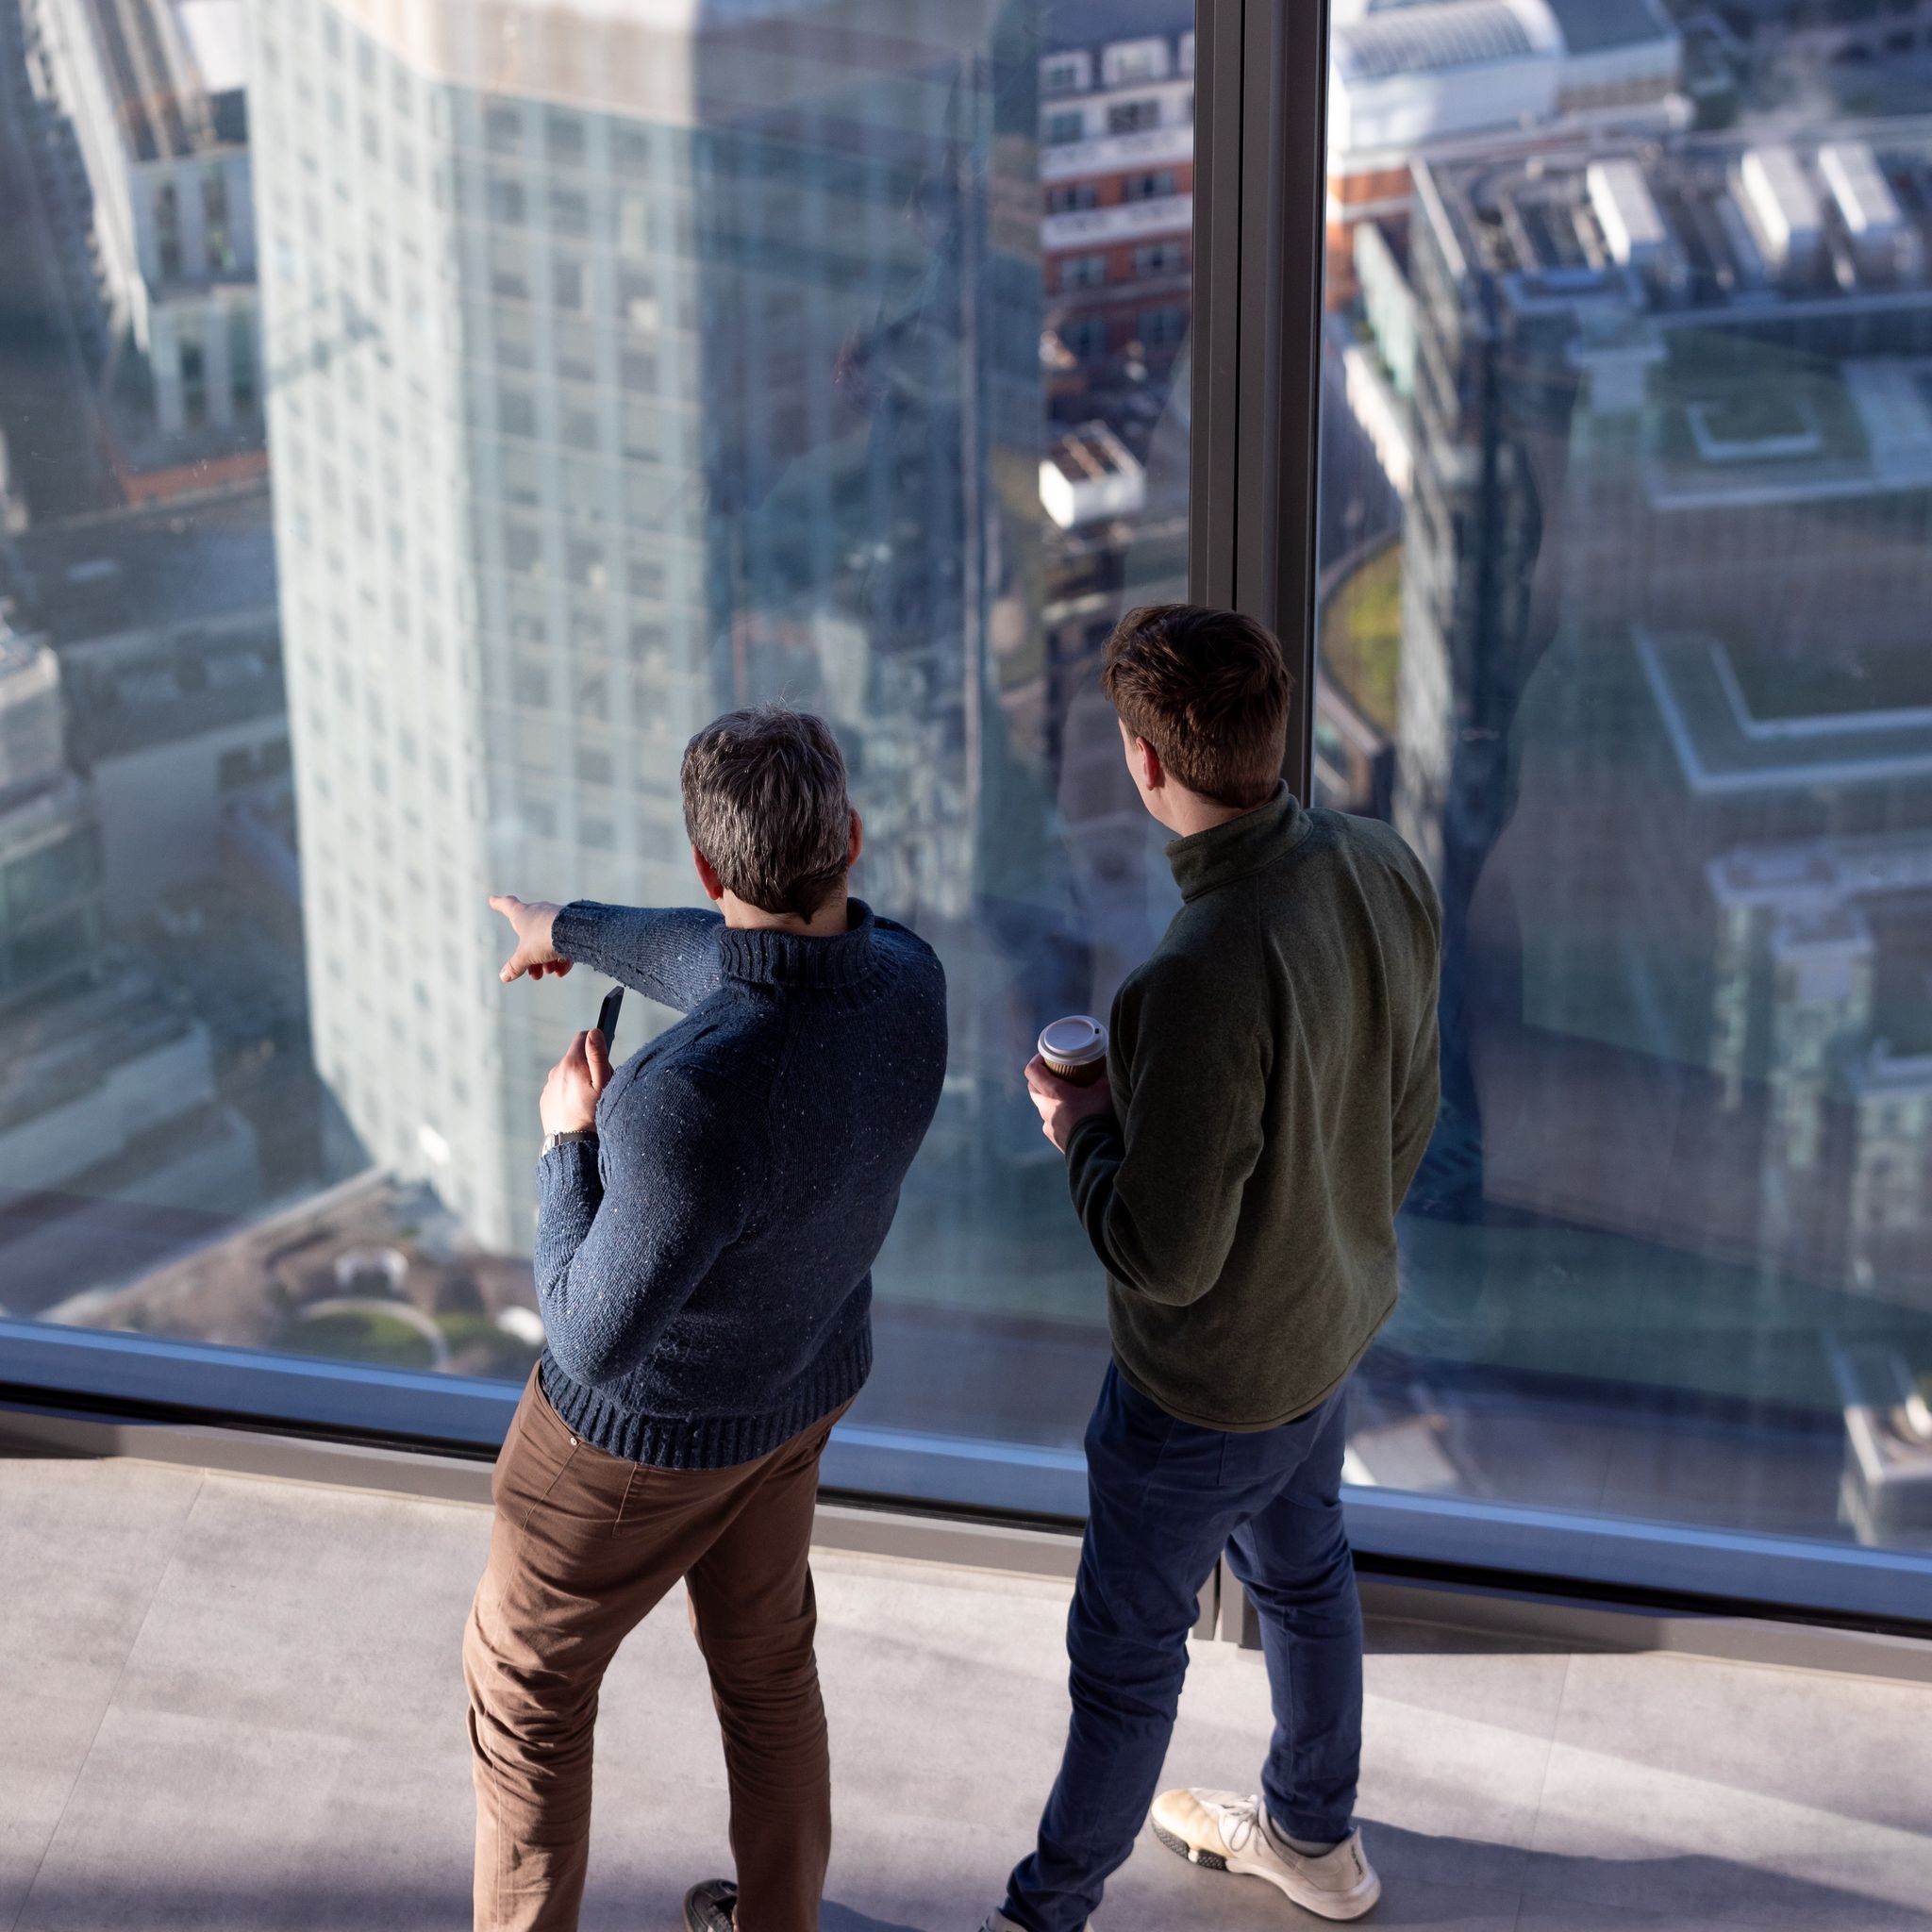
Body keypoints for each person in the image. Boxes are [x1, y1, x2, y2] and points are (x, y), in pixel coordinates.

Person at [984, 606, 1441, 1932]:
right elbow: (1401, 1108)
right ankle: (1314, 1839)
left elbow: (1161, 1257)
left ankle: (1043, 1917)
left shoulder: (1192, 973)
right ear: (1276, 720)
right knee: (1306, 1578)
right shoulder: (1378, 861)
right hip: (1331, 1324)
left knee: (1125, 1671)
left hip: (1203, 1396)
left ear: (1143, 764)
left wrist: (1081, 1131)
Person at [468, 704, 947, 1932]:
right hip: (798, 1391)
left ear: (705, 866)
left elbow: (588, 1337)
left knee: (525, 1694)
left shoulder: (678, 1104)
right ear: (848, 839)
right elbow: (738, 964)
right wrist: (565, 928)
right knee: (770, 1672)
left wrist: (565, 1147)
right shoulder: (908, 986)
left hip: (627, 1451)